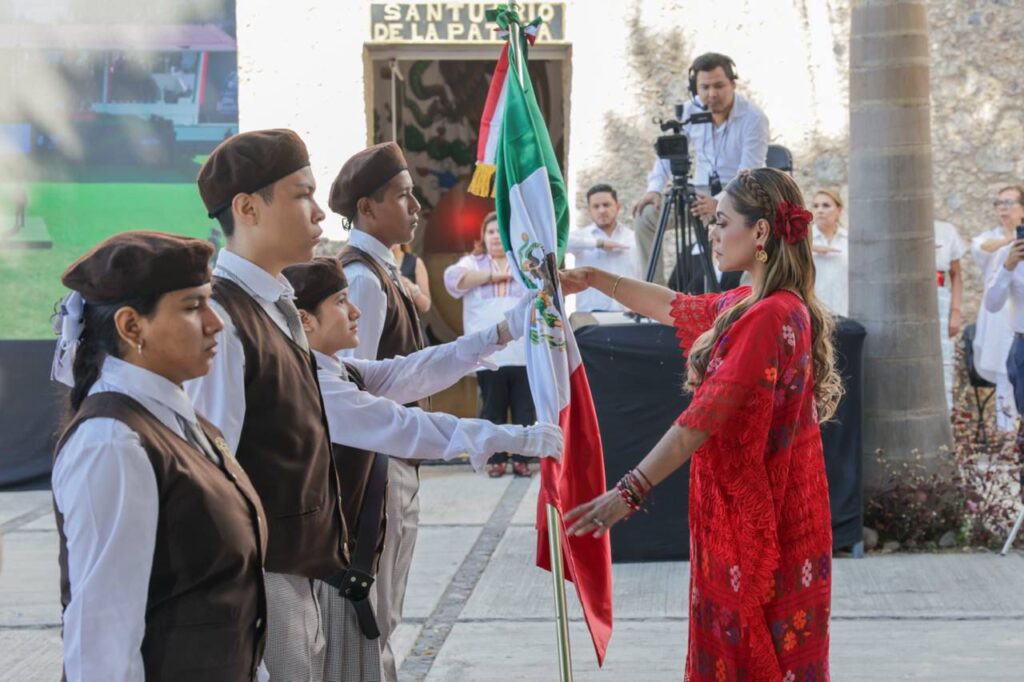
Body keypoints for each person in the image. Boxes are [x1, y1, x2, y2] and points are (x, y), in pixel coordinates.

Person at [563, 168, 840, 680]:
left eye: (723, 222)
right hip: (741, 514)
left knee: (754, 658)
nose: (713, 232)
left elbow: (702, 417)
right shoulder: (751, 303)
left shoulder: (770, 314)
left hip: (759, 522)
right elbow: (673, 305)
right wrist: (594, 279)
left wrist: (627, 492)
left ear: (760, 232)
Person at [282, 257, 563, 681]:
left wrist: (503, 331)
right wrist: (514, 438)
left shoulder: (335, 369)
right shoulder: (312, 383)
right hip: (328, 567)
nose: (355, 311)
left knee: (370, 657)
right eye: (341, 302)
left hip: (349, 555)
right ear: (305, 320)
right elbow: (406, 426)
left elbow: (411, 371)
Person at [51, 232, 267, 681]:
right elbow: (103, 645)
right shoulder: (112, 443)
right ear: (132, 327)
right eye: (193, 307)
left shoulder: (174, 417)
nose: (216, 323)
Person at [186, 129, 349, 681]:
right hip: (262, 574)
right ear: (248, 208)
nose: (319, 212)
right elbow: (213, 478)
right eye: (303, 195)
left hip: (297, 567)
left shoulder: (276, 302)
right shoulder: (224, 320)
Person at [330, 141, 429, 682]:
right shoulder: (364, 279)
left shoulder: (383, 270)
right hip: (377, 472)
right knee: (375, 616)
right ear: (367, 208)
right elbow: (356, 389)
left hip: (395, 461)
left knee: (386, 612)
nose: (415, 207)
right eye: (403, 196)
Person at [632, 53, 769, 284]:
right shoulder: (689, 110)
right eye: (704, 87)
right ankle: (653, 293)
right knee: (645, 217)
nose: (711, 94)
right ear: (694, 88)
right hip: (698, 194)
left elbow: (749, 172)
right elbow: (669, 153)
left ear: (733, 84)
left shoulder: (754, 117)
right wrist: (654, 188)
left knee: (744, 226)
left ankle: (746, 296)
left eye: (719, 86)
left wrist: (721, 202)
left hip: (739, 193)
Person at [444, 212, 536, 478]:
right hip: (489, 356)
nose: (495, 237)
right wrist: (493, 277)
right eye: (491, 232)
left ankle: (522, 459)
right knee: (493, 411)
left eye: (500, 232)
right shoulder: (471, 262)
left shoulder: (522, 263)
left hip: (523, 353)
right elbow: (452, 279)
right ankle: (496, 459)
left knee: (524, 411)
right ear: (483, 237)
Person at [972, 186, 1024, 431]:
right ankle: (1007, 434)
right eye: (999, 203)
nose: (1003, 208)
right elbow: (983, 248)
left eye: (1010, 202)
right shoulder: (999, 246)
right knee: (1007, 381)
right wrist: (1009, 261)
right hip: (1010, 327)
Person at [565, 184, 639, 312]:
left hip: (627, 313)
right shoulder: (581, 237)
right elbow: (559, 244)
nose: (602, 210)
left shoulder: (632, 238)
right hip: (589, 314)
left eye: (606, 205)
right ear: (589, 210)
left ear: (618, 207)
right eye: (596, 206)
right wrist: (598, 244)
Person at [934, 219, 965, 409]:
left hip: (939, 298)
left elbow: (956, 274)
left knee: (943, 362)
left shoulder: (945, 230)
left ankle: (944, 415)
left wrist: (955, 311)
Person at [810, 189, 848, 317]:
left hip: (844, 313)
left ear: (839, 210)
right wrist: (809, 247)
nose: (820, 210)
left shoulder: (849, 241)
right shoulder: (803, 242)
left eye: (826, 205)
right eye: (816, 206)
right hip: (814, 315)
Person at [390, 242, 431, 314]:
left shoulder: (415, 262)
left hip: (407, 317)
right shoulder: (377, 262)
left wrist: (410, 287)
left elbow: (425, 306)